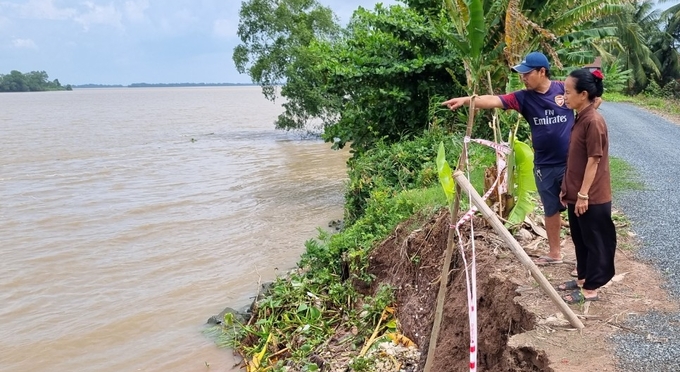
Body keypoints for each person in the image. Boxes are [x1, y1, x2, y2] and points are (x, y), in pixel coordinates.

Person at [442, 51, 582, 266]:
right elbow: (494, 100)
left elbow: (592, 98)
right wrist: (467, 100)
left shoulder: (564, 89)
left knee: (576, 209)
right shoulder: (523, 97)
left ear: (542, 71)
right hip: (544, 164)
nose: (523, 78)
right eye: (521, 74)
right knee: (551, 209)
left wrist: (584, 123)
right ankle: (555, 253)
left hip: (571, 163)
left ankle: (585, 260)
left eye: (527, 73)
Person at [557, 68, 616, 303]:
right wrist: (569, 190)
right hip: (577, 194)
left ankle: (591, 288)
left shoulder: (593, 121)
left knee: (594, 240)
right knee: (580, 238)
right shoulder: (581, 116)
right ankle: (583, 277)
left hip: (592, 196)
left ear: (583, 94)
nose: (565, 96)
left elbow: (594, 160)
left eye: (568, 92)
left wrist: (583, 195)